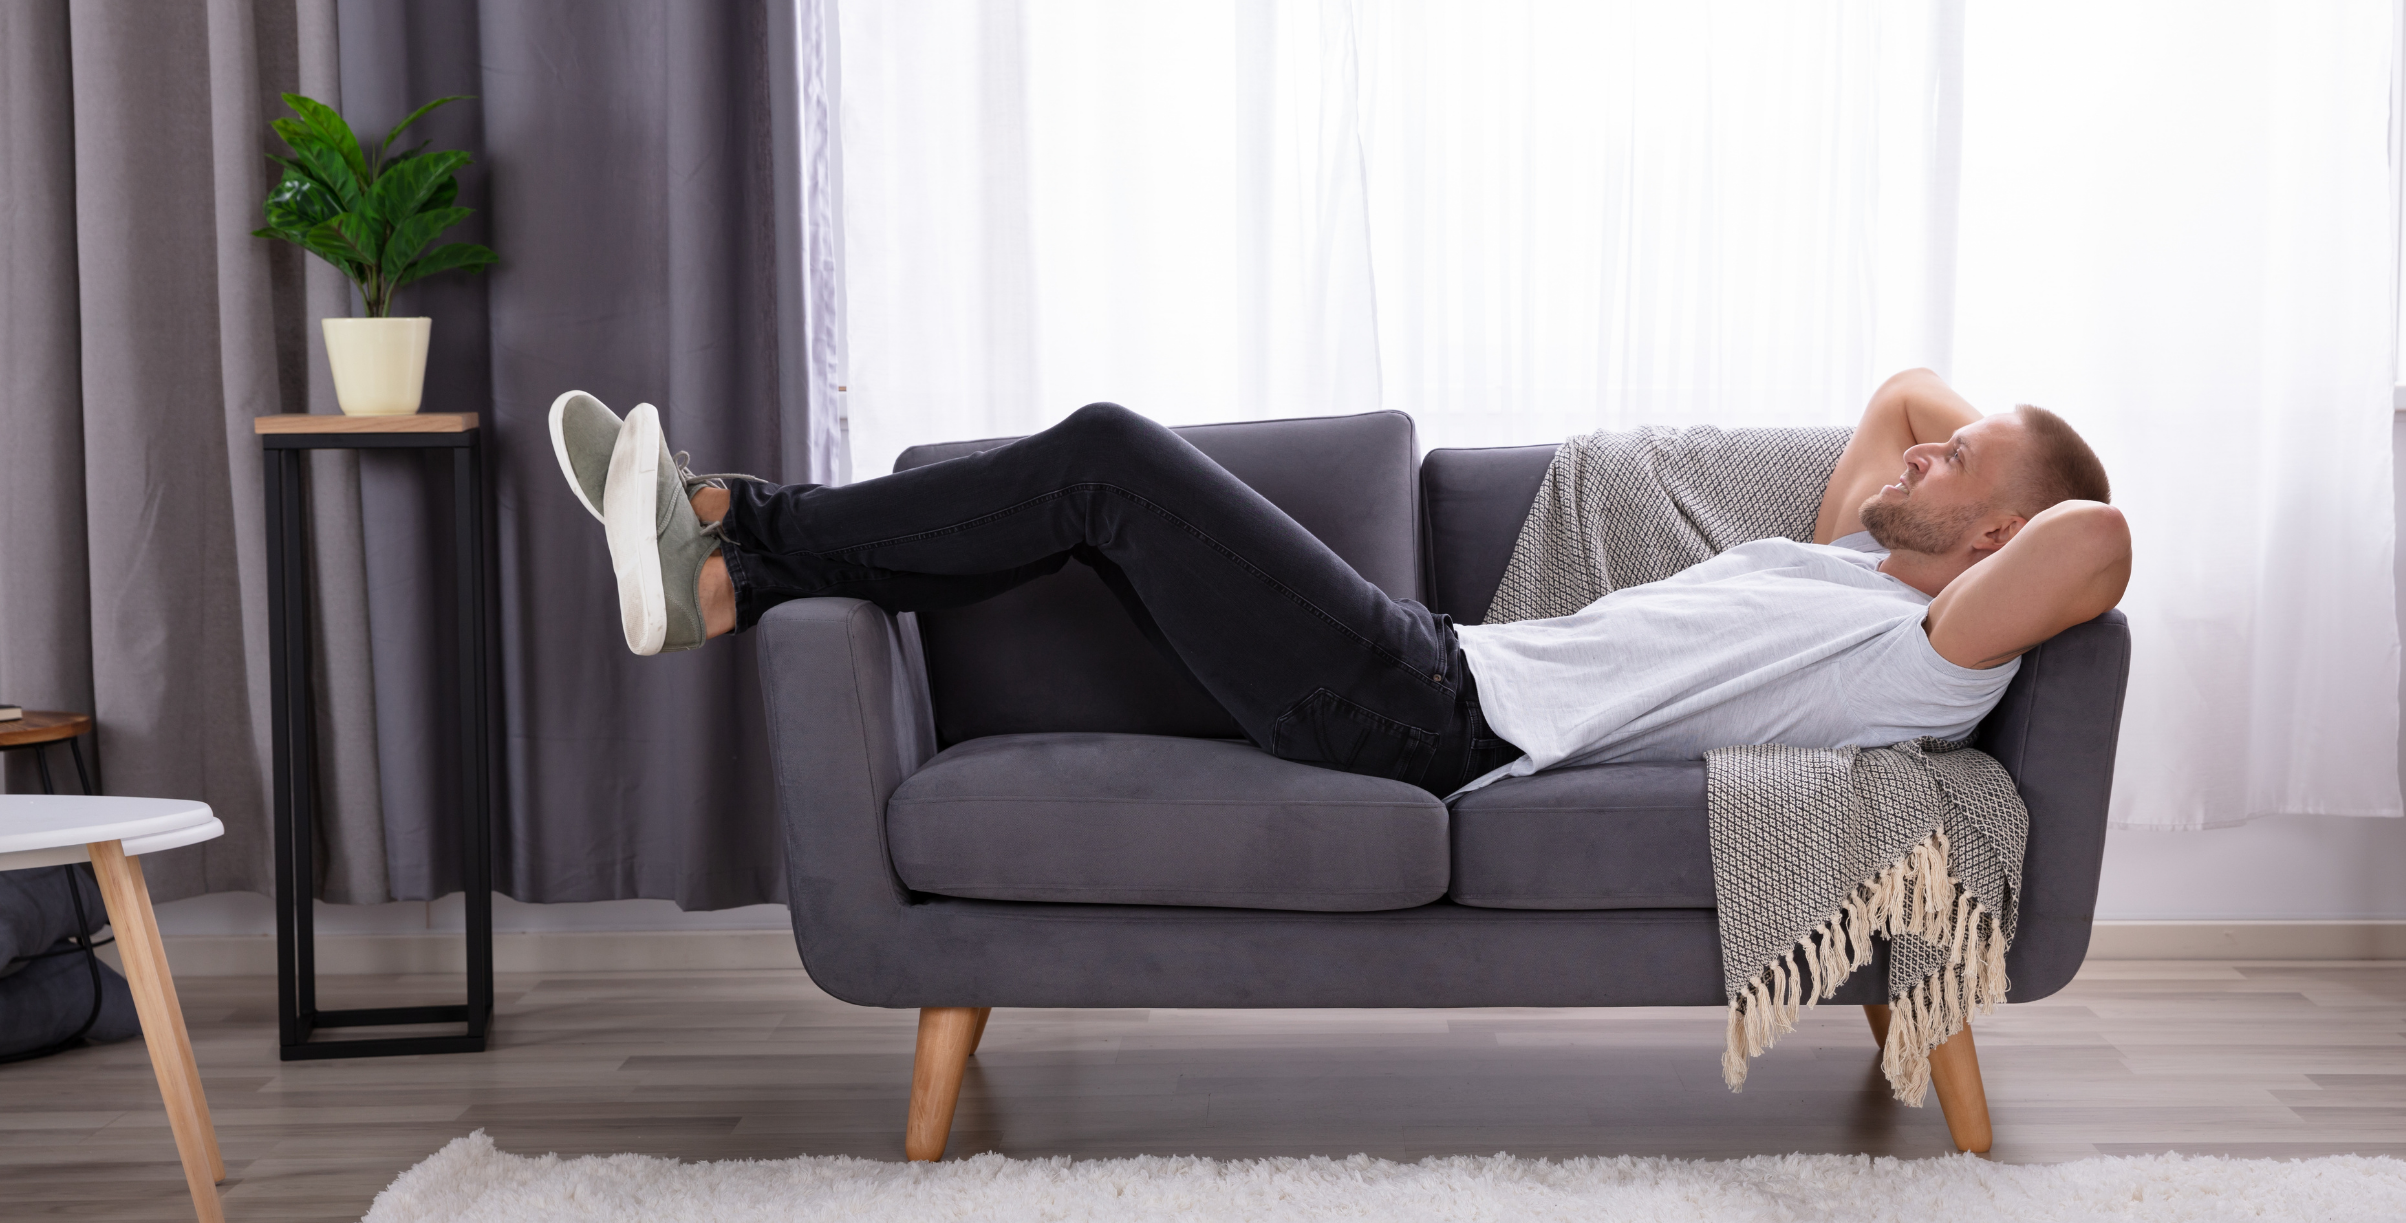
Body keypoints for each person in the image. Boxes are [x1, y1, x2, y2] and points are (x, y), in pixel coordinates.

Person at [547, 369, 2129, 798]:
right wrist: (1974, 451)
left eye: (1955, 472)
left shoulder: (1936, 648)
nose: (1918, 461)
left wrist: (2023, 480)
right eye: (1929, 460)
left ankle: (731, 534)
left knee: (1106, 454)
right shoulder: (1870, 551)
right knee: (1101, 485)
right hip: (1436, 672)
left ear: (1998, 546)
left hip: (1442, 719)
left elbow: (2097, 542)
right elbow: (1913, 386)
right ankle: (726, 561)